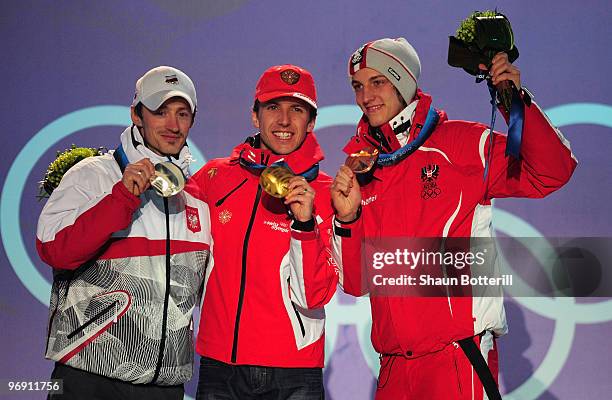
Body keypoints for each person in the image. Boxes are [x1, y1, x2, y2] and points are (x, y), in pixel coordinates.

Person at [330, 38, 577, 399]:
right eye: (358, 86)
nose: (366, 96)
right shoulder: (363, 169)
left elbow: (552, 172)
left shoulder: (460, 144)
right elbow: (356, 283)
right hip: (393, 369)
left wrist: (513, 101)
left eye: (378, 82)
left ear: (403, 82)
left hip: (457, 358)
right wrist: (347, 219)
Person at [36, 66, 211, 400]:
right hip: (89, 378)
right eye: (160, 112)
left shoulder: (196, 197)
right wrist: (122, 198)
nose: (173, 125)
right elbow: (54, 249)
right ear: (136, 114)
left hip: (164, 385)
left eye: (182, 114)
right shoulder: (93, 175)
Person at [192, 64, 337, 400]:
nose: (284, 121)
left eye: (296, 110)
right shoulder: (215, 177)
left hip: (294, 374)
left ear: (311, 122)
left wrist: (304, 224)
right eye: (273, 108)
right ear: (255, 117)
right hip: (220, 366)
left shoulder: (328, 194)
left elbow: (315, 295)